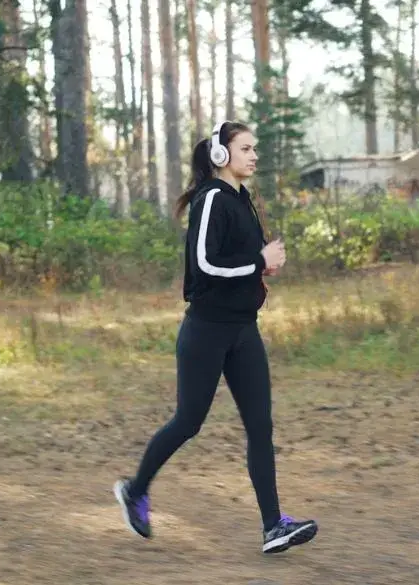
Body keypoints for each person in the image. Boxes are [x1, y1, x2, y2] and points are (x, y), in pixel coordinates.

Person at [113, 120, 318, 554]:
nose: (254, 155)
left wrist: (263, 265)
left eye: (254, 148)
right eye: (245, 148)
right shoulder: (211, 200)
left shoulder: (242, 200)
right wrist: (256, 261)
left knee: (260, 426)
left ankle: (273, 526)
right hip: (206, 331)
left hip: (244, 330)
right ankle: (135, 490)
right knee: (189, 422)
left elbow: (236, 261)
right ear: (221, 155)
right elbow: (204, 264)